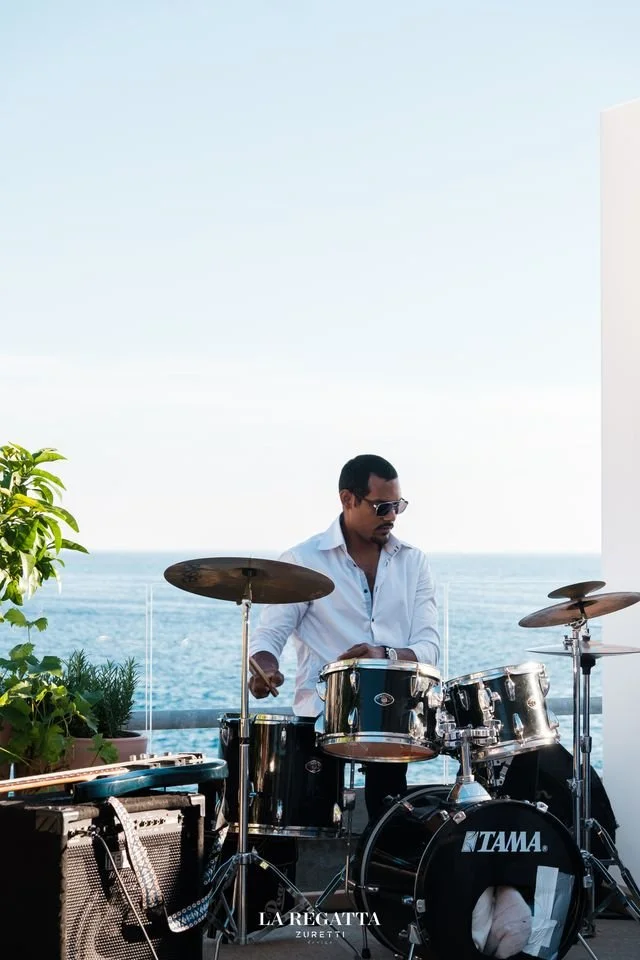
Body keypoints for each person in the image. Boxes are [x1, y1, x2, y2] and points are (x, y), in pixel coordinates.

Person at [248, 454, 440, 819]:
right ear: (347, 499)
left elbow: (429, 648)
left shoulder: (414, 563)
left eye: (397, 505)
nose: (392, 516)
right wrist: (265, 668)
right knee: (303, 823)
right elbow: (270, 635)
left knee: (390, 825)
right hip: (321, 717)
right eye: (382, 506)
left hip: (389, 719)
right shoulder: (304, 560)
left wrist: (381, 654)